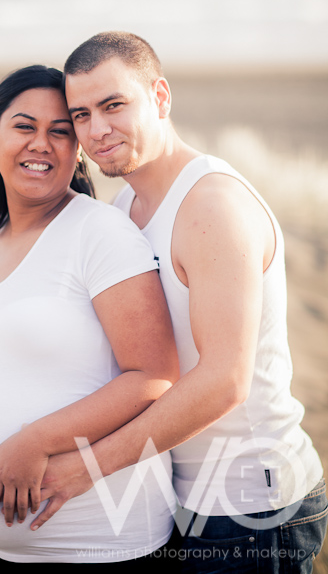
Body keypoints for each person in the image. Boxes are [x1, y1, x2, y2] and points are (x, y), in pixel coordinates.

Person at [22, 31, 326, 573]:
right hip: (178, 497)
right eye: (82, 114)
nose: (97, 130)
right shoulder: (125, 207)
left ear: (160, 97)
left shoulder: (210, 206)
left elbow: (224, 382)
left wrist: (86, 468)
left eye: (114, 105)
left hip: (252, 509)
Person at [0, 64, 179, 570]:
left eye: (60, 132)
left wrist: (37, 440)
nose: (42, 144)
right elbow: (12, 360)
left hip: (96, 547)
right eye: (24, 126)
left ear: (77, 148)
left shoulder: (100, 233)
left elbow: (154, 376)